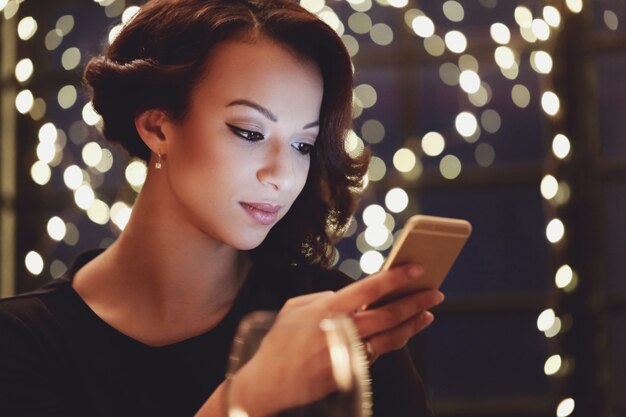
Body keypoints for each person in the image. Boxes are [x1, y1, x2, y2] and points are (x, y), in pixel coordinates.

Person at [0, 0, 445, 416]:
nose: (283, 175)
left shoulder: (334, 326)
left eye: (302, 144)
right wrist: (248, 398)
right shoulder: (22, 341)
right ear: (157, 127)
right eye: (249, 133)